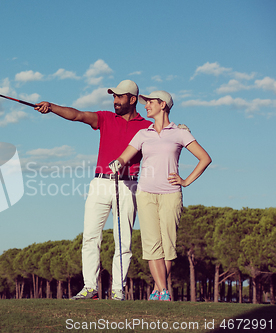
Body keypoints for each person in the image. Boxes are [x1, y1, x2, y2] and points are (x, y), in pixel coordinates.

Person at [35, 80, 152, 300]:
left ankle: (118, 290)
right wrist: (51, 107)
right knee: (90, 237)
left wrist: (179, 128)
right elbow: (77, 115)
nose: (115, 101)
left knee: (123, 240)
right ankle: (90, 287)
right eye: (114, 97)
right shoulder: (106, 118)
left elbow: (166, 134)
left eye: (120, 97)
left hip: (128, 185)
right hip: (100, 183)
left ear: (133, 99)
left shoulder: (146, 126)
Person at [109, 90, 211, 301]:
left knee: (168, 245)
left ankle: (158, 289)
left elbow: (204, 158)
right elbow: (125, 156)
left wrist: (185, 181)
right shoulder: (143, 134)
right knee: (151, 243)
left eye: (150, 102)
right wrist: (116, 164)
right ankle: (163, 291)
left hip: (171, 194)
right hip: (145, 193)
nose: (146, 106)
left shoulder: (180, 133)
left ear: (163, 105)